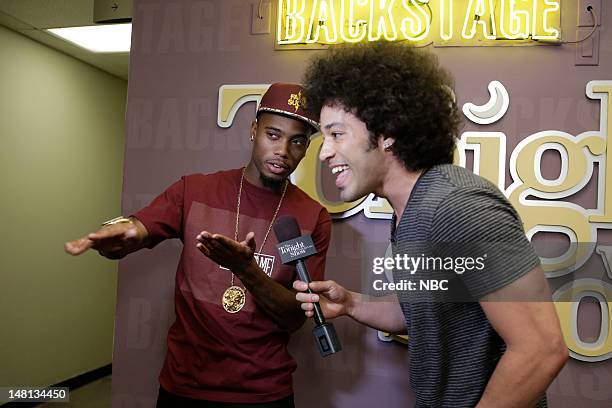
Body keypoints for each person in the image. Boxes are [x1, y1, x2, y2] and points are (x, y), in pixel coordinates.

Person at [295, 42, 568, 407]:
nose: (325, 151)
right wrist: (352, 304)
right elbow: (427, 309)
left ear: (388, 130)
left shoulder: (457, 206)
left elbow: (542, 349)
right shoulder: (411, 209)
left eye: (337, 134)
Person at [65, 83, 332, 407]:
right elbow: (137, 229)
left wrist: (246, 270)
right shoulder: (195, 190)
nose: (283, 150)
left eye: (297, 141)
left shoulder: (312, 217)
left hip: (264, 393)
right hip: (185, 387)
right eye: (272, 135)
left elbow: (294, 318)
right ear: (253, 131)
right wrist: (119, 234)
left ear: (306, 149)